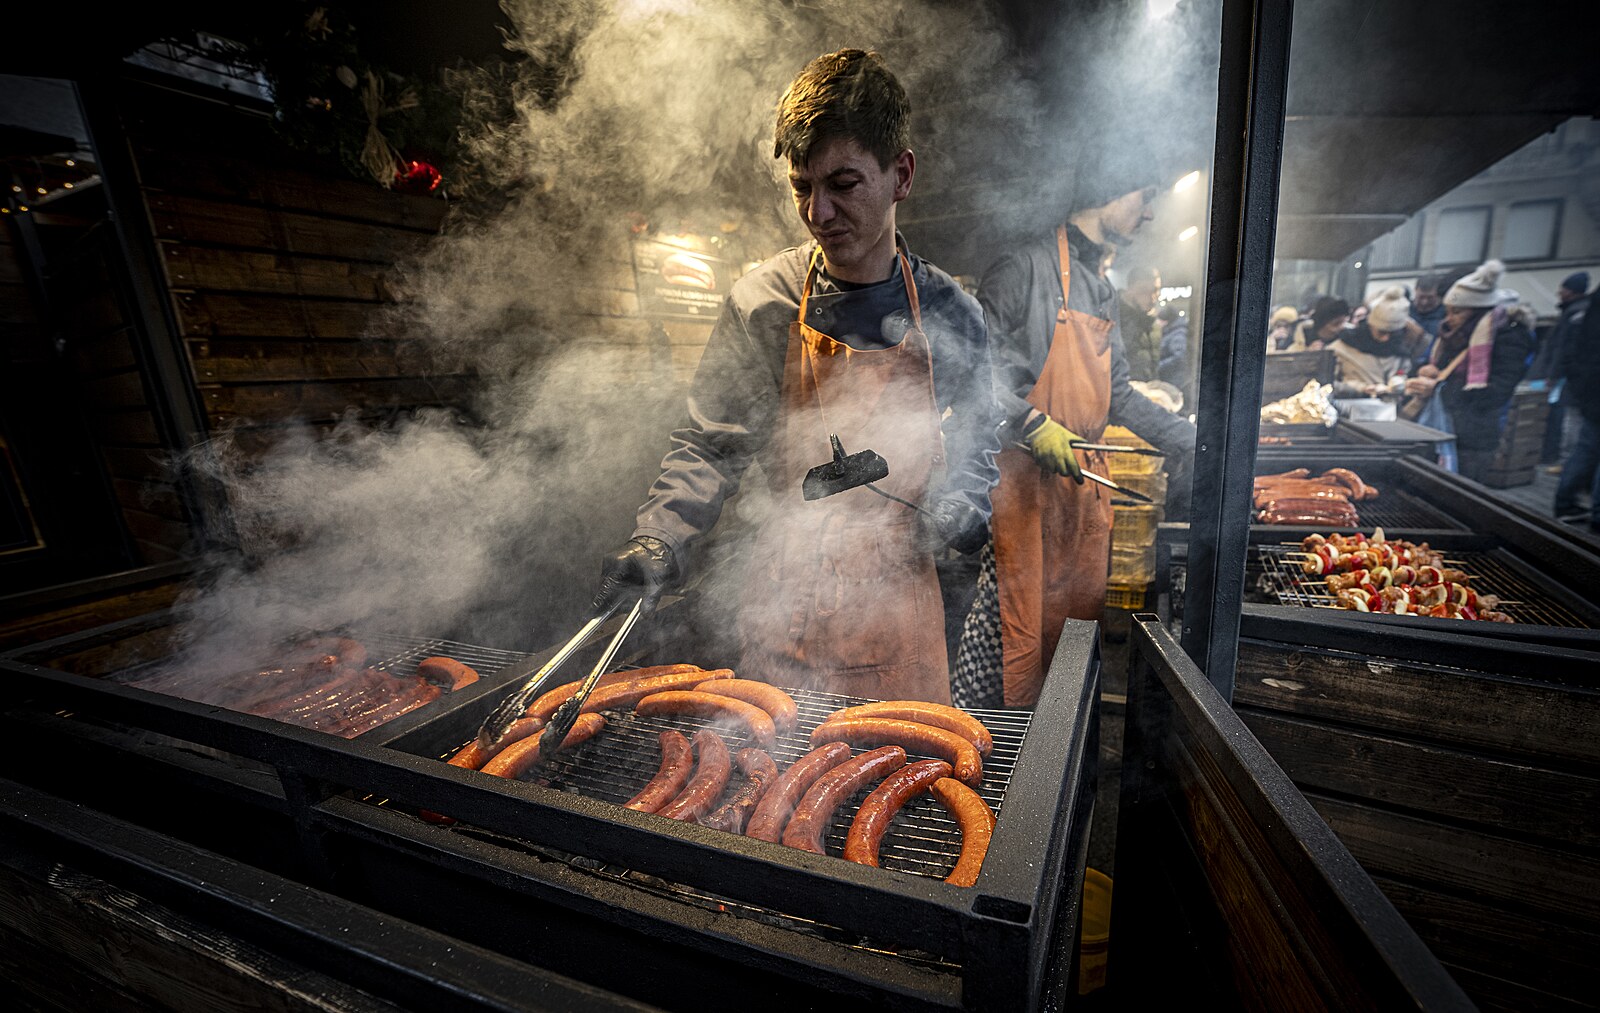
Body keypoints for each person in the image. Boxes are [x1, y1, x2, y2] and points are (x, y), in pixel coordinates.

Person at [593, 50, 1000, 703]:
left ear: (901, 175)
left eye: (842, 184)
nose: (818, 212)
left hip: (898, 615)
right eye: (800, 187)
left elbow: (982, 433)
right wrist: (659, 534)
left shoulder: (952, 313)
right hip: (787, 611)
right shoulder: (765, 302)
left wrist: (963, 502)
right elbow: (709, 441)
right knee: (772, 789)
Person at [952, 182, 1196, 708]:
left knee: (1070, 628)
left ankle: (1056, 749)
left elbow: (1121, 394)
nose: (1150, 212)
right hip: (1022, 486)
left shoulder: (1100, 285)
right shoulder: (1024, 267)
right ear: (1110, 186)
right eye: (1144, 195)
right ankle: (992, 748)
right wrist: (1032, 423)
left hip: (1081, 490)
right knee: (1009, 627)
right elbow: (974, 370)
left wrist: (1195, 440)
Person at [1406, 259, 1536, 483]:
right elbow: (1433, 365)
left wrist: (1439, 389)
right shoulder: (1451, 334)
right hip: (1435, 428)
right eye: (1446, 311)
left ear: (1477, 311)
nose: (1449, 319)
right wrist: (1423, 371)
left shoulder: (1509, 336)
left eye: (1456, 312)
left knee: (1460, 495)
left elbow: (1495, 393)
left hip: (1473, 438)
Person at [1554, 272, 1600, 530]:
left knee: (1585, 447)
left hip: (1589, 389)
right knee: (1585, 447)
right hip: (1590, 388)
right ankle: (1595, 516)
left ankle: (1566, 503)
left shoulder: (1590, 305)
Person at [1535, 271, 1590, 467]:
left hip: (1568, 378)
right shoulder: (1573, 310)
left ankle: (1561, 459)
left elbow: (1564, 347)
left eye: (1564, 289)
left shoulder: (1577, 313)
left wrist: (1553, 374)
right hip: (1565, 375)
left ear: (1572, 291)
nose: (1559, 292)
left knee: (1565, 418)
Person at [1329, 286, 1412, 401]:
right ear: (1371, 325)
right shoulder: (1341, 348)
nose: (1386, 339)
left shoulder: (1400, 351)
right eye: (1381, 332)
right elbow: (1327, 383)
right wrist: (1361, 388)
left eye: (1392, 333)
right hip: (1350, 408)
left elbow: (1403, 373)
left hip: (1390, 412)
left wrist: (1399, 383)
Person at [1118, 266, 1162, 380]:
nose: (1152, 298)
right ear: (1130, 289)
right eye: (1143, 291)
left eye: (1156, 290)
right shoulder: (1115, 320)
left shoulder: (1153, 323)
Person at [1156, 304, 1189, 394]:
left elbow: (1179, 357)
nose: (1158, 323)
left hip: (1175, 380)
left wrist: (1159, 366)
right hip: (1172, 378)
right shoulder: (1171, 332)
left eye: (1160, 320)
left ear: (1166, 321)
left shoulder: (1177, 334)